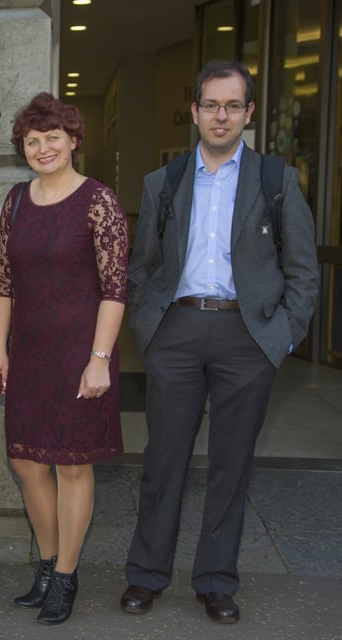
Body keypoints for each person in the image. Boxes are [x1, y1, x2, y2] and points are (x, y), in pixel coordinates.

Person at [120, 60, 319, 625]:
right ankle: (147, 576)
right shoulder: (166, 181)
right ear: (195, 112)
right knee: (163, 461)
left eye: (233, 105)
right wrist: (149, 331)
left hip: (247, 336)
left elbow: (303, 270)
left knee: (231, 465)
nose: (221, 115)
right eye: (211, 104)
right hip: (177, 331)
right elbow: (143, 266)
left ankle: (215, 581)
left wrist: (278, 340)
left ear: (249, 113)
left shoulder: (277, 180)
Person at [0, 92, 128, 625]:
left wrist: (100, 359)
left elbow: (116, 288)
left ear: (73, 141)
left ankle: (67, 575)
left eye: (53, 138)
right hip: (28, 352)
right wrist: (0, 350)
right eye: (32, 141)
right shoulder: (17, 201)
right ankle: (46, 565)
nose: (43, 148)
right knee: (27, 461)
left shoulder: (99, 201)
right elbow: (3, 281)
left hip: (81, 352)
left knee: (72, 465)